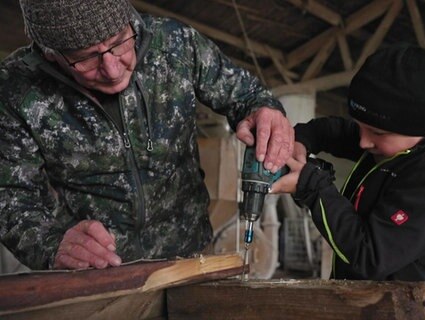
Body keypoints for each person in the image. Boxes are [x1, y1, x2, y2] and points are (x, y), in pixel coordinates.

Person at [0, 0, 293, 271]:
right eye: (86, 58)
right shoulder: (15, 91)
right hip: (96, 272)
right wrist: (51, 244)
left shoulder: (176, 44)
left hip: (188, 254)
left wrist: (266, 110)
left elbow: (248, 95)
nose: (112, 70)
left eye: (118, 43)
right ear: (51, 54)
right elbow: (10, 195)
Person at [271, 44, 425, 319]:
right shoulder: (404, 140)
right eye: (361, 126)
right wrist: (303, 137)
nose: (363, 141)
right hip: (367, 303)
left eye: (376, 132)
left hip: (405, 310)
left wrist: (312, 187)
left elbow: (368, 256)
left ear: (419, 128)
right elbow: (340, 131)